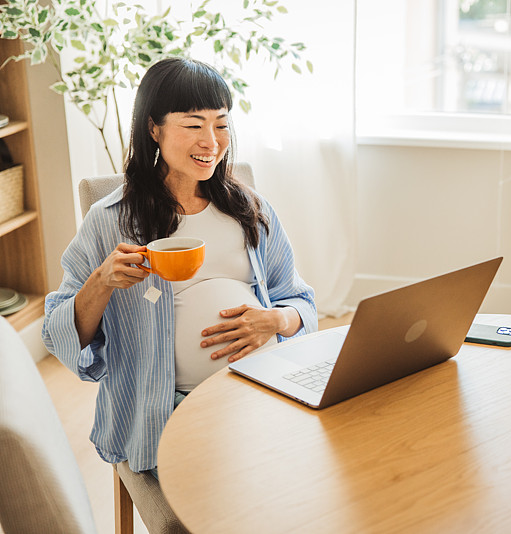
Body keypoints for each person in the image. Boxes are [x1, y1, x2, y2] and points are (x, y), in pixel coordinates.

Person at [42, 57, 317, 475]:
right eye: (193, 125)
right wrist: (101, 281)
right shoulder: (111, 220)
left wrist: (276, 321)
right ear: (154, 128)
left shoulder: (250, 210)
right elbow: (58, 334)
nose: (211, 141)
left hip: (264, 389)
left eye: (221, 125)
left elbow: (300, 301)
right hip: (171, 410)